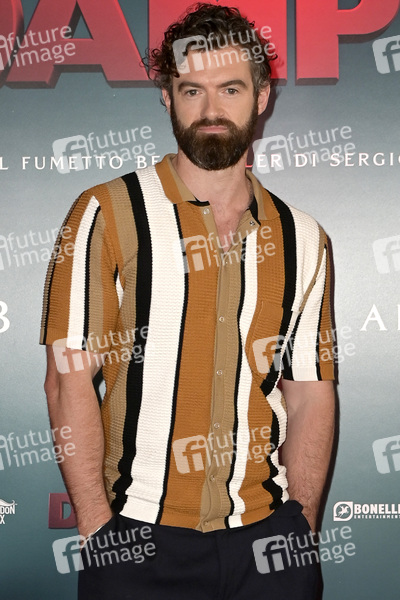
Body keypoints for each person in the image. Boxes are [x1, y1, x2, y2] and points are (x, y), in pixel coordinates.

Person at [41, 3, 336, 599]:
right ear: (167, 98)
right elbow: (67, 380)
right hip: (136, 542)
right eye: (191, 90)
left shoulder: (304, 236)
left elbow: (309, 392)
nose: (210, 110)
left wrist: (300, 527)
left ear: (262, 96)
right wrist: (98, 530)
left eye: (230, 88)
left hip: (270, 543)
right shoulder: (106, 213)